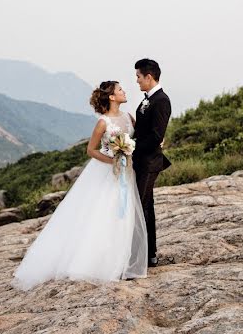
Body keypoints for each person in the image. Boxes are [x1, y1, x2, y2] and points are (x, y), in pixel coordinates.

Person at [11, 81, 149, 290]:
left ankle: (120, 262)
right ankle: (97, 263)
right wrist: (113, 160)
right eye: (120, 90)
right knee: (104, 213)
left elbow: (140, 138)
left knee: (124, 214)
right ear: (111, 97)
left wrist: (136, 149)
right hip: (106, 172)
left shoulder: (129, 117)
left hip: (126, 172)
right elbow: (91, 150)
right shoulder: (103, 123)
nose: (124, 91)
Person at [132, 58, 172, 268]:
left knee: (141, 207)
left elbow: (156, 136)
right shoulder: (147, 99)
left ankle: (143, 255)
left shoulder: (161, 100)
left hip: (149, 162)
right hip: (141, 161)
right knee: (145, 206)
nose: (137, 81)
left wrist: (132, 147)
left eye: (138, 77)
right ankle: (149, 254)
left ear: (149, 76)